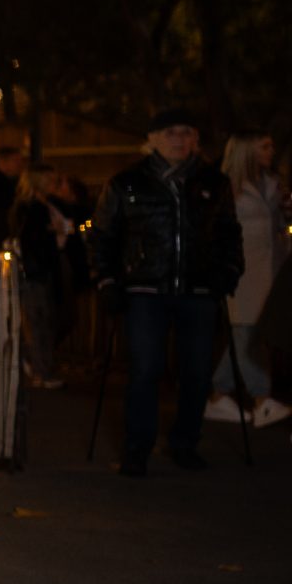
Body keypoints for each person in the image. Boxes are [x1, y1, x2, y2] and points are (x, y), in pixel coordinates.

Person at [87, 109, 244, 474]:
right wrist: (106, 280)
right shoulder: (126, 182)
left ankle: (185, 442)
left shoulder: (214, 183)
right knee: (144, 369)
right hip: (145, 289)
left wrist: (229, 272)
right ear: (153, 138)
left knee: (196, 372)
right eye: (171, 132)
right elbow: (102, 236)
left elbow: (228, 233)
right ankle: (137, 447)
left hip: (199, 289)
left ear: (195, 140)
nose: (179, 139)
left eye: (187, 133)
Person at [208, 132, 289, 427]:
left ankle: (218, 395)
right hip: (240, 271)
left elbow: (277, 226)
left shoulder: (271, 183)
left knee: (248, 335)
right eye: (264, 146)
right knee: (246, 334)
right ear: (247, 150)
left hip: (269, 270)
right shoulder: (226, 187)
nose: (271, 150)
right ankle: (260, 398)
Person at [13, 165, 81, 387]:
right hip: (37, 269)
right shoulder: (28, 208)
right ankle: (40, 370)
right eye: (50, 179)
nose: (54, 183)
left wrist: (61, 229)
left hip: (54, 264)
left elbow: (75, 225)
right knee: (39, 320)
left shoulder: (51, 205)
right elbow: (27, 238)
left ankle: (39, 363)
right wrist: (50, 232)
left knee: (58, 317)